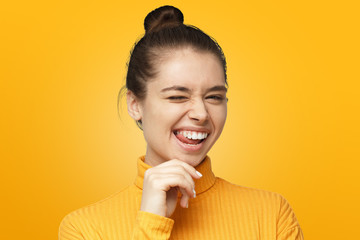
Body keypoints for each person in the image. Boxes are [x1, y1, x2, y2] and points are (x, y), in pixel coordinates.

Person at [59, 5, 303, 240]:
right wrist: (151, 223)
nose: (201, 113)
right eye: (177, 96)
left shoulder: (272, 214)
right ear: (135, 104)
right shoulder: (84, 229)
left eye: (214, 97)